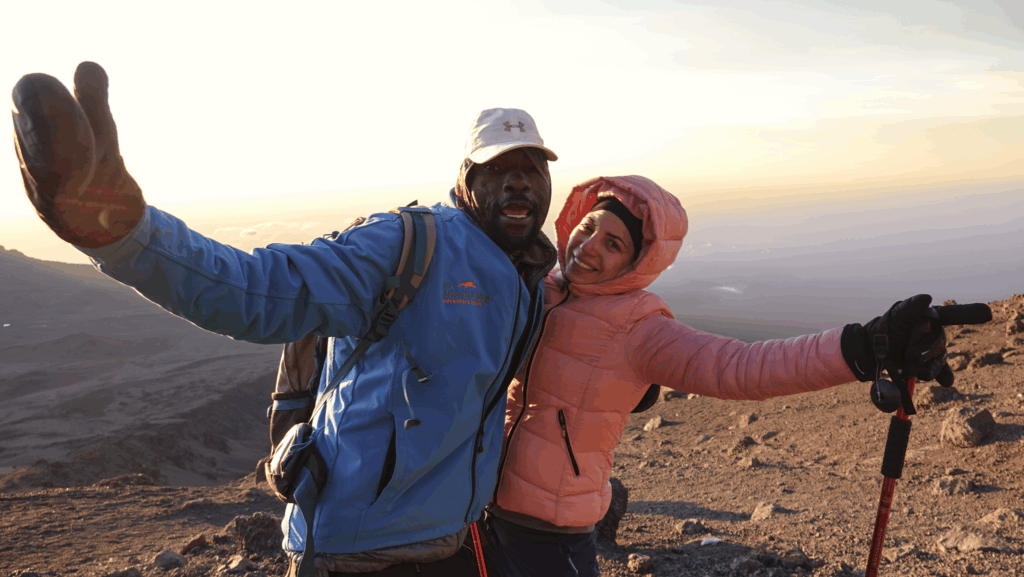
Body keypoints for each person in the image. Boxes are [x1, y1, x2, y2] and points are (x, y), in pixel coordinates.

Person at [11, 62, 560, 576]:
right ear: (466, 181)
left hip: (454, 542)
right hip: (356, 553)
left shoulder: (529, 279)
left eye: (532, 170)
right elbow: (260, 290)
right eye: (499, 169)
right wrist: (128, 236)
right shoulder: (408, 243)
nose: (518, 183)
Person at [476, 175, 991, 577]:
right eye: (589, 228)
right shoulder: (537, 285)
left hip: (553, 530)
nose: (589, 246)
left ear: (637, 263)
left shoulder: (639, 329)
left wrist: (863, 345)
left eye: (613, 245)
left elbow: (740, 368)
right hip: (475, 510)